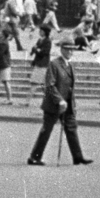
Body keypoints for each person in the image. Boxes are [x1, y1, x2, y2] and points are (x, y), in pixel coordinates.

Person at [27, 33, 93, 166]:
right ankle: (34, 157)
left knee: (71, 129)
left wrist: (70, 102)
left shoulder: (70, 65)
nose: (70, 52)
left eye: (72, 49)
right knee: (47, 131)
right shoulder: (54, 64)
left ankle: (77, 156)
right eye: (67, 49)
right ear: (61, 49)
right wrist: (60, 100)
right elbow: (49, 85)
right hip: (54, 104)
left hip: (67, 104)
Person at [0, 26, 14, 102]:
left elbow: (0, 54)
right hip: (1, 64)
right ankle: (9, 99)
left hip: (3, 64)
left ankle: (10, 99)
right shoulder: (2, 41)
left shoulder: (3, 43)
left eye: (1, 32)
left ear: (3, 34)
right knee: (5, 81)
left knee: (6, 81)